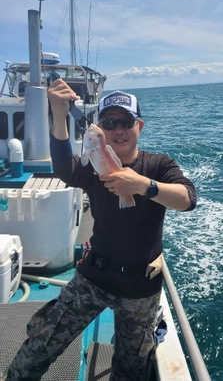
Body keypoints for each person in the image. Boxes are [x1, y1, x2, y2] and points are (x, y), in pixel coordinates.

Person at [6, 81, 197, 381]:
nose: (118, 129)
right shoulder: (94, 166)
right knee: (39, 343)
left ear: (140, 126)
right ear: (101, 130)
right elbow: (64, 169)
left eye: (126, 122)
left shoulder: (159, 164)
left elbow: (188, 198)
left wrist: (143, 185)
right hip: (93, 278)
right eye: (109, 123)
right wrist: (58, 115)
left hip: (140, 288)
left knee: (130, 371)